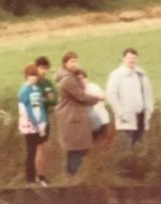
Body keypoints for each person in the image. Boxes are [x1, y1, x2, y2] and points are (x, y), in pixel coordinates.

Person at [55, 51, 102, 176]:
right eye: (72, 61)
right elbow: (82, 97)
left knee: (77, 149)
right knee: (75, 150)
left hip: (75, 118)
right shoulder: (68, 80)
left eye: (76, 61)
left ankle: (75, 177)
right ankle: (73, 178)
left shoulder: (72, 77)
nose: (75, 64)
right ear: (65, 64)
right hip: (72, 119)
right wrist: (99, 98)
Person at [106, 47, 154, 148]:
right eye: (129, 58)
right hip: (126, 119)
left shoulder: (141, 74)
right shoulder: (117, 75)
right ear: (123, 59)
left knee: (140, 148)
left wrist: (149, 110)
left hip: (142, 117)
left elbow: (148, 93)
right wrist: (121, 113)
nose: (132, 60)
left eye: (134, 58)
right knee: (126, 149)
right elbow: (111, 95)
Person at [17, 64, 49, 186]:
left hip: (39, 122)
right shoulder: (24, 90)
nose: (33, 78)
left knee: (37, 150)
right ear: (26, 76)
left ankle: (37, 176)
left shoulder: (35, 89)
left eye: (35, 76)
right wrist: (36, 124)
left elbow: (39, 107)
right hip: (30, 124)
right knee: (32, 150)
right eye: (31, 76)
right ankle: (30, 177)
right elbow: (28, 110)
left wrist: (42, 121)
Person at [35, 56, 57, 185]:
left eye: (45, 69)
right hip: (36, 120)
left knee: (44, 148)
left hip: (46, 118)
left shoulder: (47, 83)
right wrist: (45, 99)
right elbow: (36, 101)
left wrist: (45, 100)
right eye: (41, 68)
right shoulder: (34, 83)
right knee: (38, 148)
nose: (43, 71)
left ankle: (42, 174)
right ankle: (38, 176)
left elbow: (54, 100)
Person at [77, 69, 110, 141]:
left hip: (102, 120)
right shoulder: (76, 91)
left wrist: (97, 98)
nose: (81, 81)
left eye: (83, 78)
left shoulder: (93, 87)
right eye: (78, 79)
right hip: (87, 124)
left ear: (86, 78)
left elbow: (105, 98)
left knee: (102, 143)